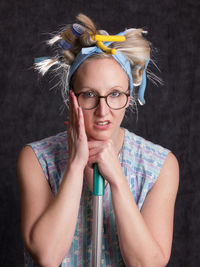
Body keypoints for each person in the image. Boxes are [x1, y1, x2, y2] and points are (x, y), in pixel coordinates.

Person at [17, 14, 179, 267]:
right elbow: (47, 257)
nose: (103, 111)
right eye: (90, 94)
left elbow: (147, 264)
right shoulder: (37, 159)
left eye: (115, 94)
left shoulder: (160, 165)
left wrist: (117, 178)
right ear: (71, 97)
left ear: (129, 96)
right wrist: (75, 164)